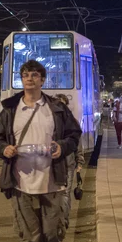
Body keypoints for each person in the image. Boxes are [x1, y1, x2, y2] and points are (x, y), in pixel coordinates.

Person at [0, 60, 81, 242]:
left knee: (51, 234)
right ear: (21, 79)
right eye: (25, 75)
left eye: (34, 75)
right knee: (30, 238)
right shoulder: (10, 109)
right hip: (21, 183)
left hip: (52, 182)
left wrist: (61, 147)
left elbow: (75, 135)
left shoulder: (56, 108)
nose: (29, 78)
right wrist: (4, 149)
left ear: (42, 80)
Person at [54, 94, 85, 228]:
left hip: (67, 162)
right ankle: (59, 220)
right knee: (57, 193)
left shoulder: (70, 123)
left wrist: (79, 162)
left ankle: (63, 220)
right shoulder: (49, 121)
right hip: (54, 164)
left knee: (65, 192)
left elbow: (78, 144)